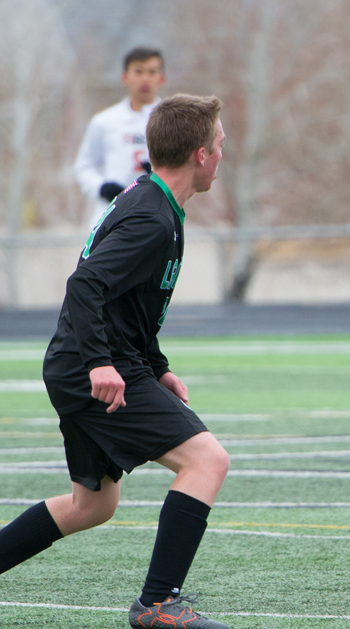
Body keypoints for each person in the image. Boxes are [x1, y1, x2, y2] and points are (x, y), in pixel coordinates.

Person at [0, 95, 230, 629]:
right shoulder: (152, 217)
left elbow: (130, 303)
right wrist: (103, 363)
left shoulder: (156, 204)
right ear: (200, 154)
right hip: (94, 370)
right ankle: (157, 605)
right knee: (206, 461)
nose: (222, 154)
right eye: (219, 145)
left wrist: (156, 365)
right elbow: (86, 285)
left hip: (89, 363)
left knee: (92, 506)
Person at [74, 47, 166, 228]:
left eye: (152, 72)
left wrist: (160, 173)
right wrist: (102, 187)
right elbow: (83, 166)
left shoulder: (172, 121)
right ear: (125, 77)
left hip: (156, 216)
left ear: (162, 78)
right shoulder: (105, 121)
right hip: (112, 217)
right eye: (138, 72)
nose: (145, 79)